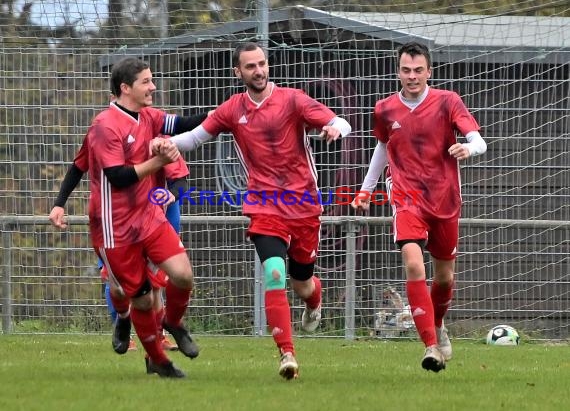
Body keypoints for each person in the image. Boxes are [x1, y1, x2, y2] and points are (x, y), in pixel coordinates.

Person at [153, 41, 351, 380]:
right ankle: (287, 355)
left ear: (267, 65)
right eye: (250, 66)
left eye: (261, 64)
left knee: (302, 283)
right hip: (263, 205)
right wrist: (165, 143)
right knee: (274, 271)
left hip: (303, 205)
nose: (258, 71)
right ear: (238, 72)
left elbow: (340, 122)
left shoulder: (292, 99)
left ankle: (314, 301)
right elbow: (196, 138)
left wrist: (334, 128)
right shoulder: (233, 108)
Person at [51, 57, 203, 378]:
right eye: (146, 81)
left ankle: (172, 324)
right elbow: (117, 177)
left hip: (149, 217)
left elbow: (184, 124)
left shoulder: (149, 116)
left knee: (183, 276)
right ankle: (156, 359)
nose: (153, 86)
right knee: (139, 300)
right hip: (114, 228)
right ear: (126, 88)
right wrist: (60, 202)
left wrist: (225, 115)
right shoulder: (105, 126)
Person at [351, 42, 487, 372]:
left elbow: (478, 139)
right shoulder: (384, 108)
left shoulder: (447, 101)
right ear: (398, 72)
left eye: (418, 70)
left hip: (444, 198)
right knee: (414, 264)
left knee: (444, 277)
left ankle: (437, 324)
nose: (412, 76)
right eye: (406, 70)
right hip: (406, 197)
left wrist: (470, 149)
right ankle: (429, 347)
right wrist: (366, 191)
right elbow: (383, 148)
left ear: (429, 72)